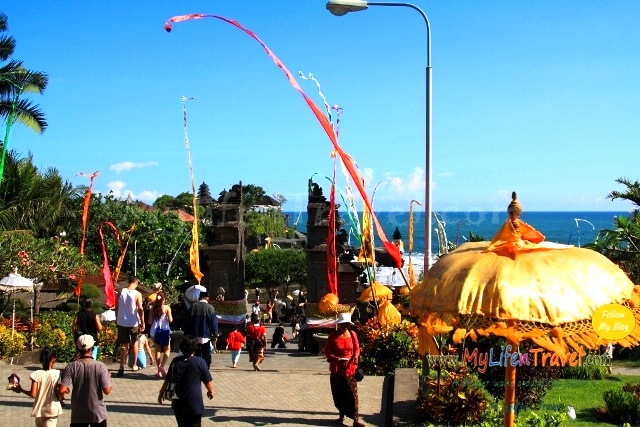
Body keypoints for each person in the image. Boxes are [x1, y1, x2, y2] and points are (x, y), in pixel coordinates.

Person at [158, 335, 214, 427]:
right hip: (194, 403)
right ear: (195, 348)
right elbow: (207, 381)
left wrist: (161, 393)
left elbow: (168, 379)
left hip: (178, 403)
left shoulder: (176, 361)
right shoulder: (200, 362)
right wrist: (211, 391)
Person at [57, 335, 113, 427]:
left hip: (78, 413)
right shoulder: (100, 366)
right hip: (97, 413)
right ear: (92, 348)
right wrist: (108, 377)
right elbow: (107, 390)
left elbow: (62, 389)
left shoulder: (71, 366)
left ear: (77, 348)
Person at [324, 313, 364, 427]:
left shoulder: (353, 334)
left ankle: (355, 420)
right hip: (337, 369)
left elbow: (357, 349)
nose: (345, 327)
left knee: (352, 395)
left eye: (347, 324)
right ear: (339, 325)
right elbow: (327, 351)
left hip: (350, 369)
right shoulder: (333, 336)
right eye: (343, 324)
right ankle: (341, 415)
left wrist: (356, 356)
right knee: (339, 394)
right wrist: (335, 358)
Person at [12, 347, 63, 426]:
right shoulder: (57, 374)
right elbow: (60, 391)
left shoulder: (36, 374)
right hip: (52, 409)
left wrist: (21, 389)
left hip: (39, 410)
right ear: (54, 359)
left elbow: (33, 394)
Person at [115, 276, 145, 377]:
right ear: (136, 283)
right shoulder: (137, 294)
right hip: (133, 322)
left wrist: (117, 318)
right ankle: (134, 364)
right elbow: (140, 309)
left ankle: (121, 366)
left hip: (122, 321)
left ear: (129, 282)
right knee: (135, 342)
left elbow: (116, 307)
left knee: (124, 345)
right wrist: (142, 321)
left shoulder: (120, 292)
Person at [186, 291, 218, 369]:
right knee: (206, 355)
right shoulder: (210, 308)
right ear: (207, 298)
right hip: (206, 336)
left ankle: (196, 370)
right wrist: (215, 334)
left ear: (199, 298)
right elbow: (213, 323)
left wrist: (186, 332)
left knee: (196, 355)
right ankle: (205, 371)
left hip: (194, 336)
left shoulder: (193, 306)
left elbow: (187, 321)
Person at [148, 290, 173, 378]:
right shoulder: (167, 308)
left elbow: (150, 322)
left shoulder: (152, 308)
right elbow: (170, 320)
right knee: (167, 349)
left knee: (157, 350)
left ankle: (159, 369)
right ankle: (162, 366)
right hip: (164, 330)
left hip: (154, 331)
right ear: (164, 299)